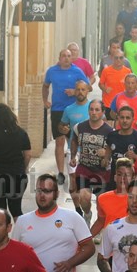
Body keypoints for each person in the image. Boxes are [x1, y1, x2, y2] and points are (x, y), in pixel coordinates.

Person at [42, 48, 86, 182]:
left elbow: (88, 87)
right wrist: (45, 100)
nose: (66, 58)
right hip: (57, 110)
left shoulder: (77, 71)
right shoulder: (52, 71)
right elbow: (45, 86)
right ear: (59, 58)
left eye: (69, 56)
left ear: (72, 58)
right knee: (59, 140)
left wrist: (75, 91)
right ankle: (61, 173)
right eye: (64, 56)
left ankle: (74, 170)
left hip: (73, 110)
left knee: (74, 141)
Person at [0, 103, 32, 220]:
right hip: (17, 175)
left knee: (0, 210)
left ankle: (2, 231)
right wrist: (23, 168)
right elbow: (28, 154)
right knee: (16, 210)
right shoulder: (21, 133)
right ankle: (20, 231)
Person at [91, 158, 137, 238]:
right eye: (119, 174)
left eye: (127, 175)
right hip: (110, 241)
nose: (123, 178)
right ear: (115, 177)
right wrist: (85, 240)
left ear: (133, 178)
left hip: (135, 241)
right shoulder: (102, 198)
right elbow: (100, 221)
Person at [70, 99, 112, 221]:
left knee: (101, 203)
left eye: (97, 110)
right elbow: (74, 140)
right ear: (88, 111)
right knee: (83, 197)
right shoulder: (79, 127)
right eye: (91, 109)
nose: (94, 112)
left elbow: (113, 149)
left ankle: (100, 224)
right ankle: (87, 215)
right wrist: (73, 156)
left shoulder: (110, 131)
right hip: (84, 168)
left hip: (102, 171)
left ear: (103, 112)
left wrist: (106, 154)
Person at [105, 105, 137, 183]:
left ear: (133, 119)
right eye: (122, 117)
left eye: (128, 118)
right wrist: (105, 161)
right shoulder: (111, 135)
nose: (124, 120)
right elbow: (107, 156)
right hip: (115, 181)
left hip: (133, 183)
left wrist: (135, 156)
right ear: (118, 118)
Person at [99, 42, 133, 111]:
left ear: (124, 59)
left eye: (121, 58)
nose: (118, 60)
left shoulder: (128, 71)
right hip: (108, 103)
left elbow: (132, 84)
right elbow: (100, 84)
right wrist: (105, 89)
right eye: (116, 58)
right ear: (113, 59)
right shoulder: (106, 70)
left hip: (123, 103)